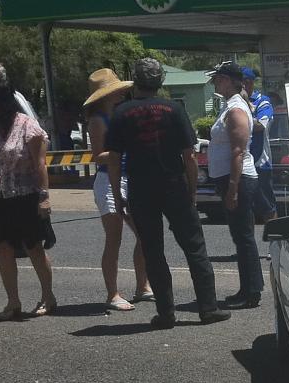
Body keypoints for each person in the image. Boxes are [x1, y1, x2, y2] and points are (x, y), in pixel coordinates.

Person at [105, 58, 229, 329]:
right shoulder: (173, 109)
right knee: (195, 247)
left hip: (140, 188)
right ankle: (208, 308)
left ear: (135, 81)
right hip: (174, 186)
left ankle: (166, 313)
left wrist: (117, 195)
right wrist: (192, 193)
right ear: (160, 82)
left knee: (153, 251)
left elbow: (114, 159)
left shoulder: (122, 112)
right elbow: (189, 156)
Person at [0, 83, 57, 319]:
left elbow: (40, 164)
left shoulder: (28, 126)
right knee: (3, 248)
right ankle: (13, 302)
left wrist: (44, 197)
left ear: (4, 103)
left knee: (34, 248)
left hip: (26, 196)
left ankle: (48, 297)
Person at [83, 68, 151, 311]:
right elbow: (97, 156)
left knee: (144, 234)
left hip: (129, 178)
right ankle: (112, 293)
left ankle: (142, 286)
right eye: (115, 92)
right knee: (114, 238)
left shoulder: (123, 116)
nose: (121, 95)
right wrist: (122, 151)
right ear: (104, 96)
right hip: (108, 180)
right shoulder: (98, 120)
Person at [206, 62, 263, 309]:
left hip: (239, 180)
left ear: (230, 80)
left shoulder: (237, 109)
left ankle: (251, 292)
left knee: (244, 236)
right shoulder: (230, 105)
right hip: (232, 179)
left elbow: (238, 151)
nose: (215, 83)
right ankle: (247, 288)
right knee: (240, 236)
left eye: (218, 79)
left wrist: (232, 188)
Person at [242, 66, 278, 223]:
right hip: (240, 163)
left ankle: (275, 246)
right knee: (243, 209)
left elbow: (260, 126)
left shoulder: (262, 102)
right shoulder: (233, 102)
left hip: (260, 163)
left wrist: (245, 108)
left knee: (267, 208)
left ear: (248, 83)